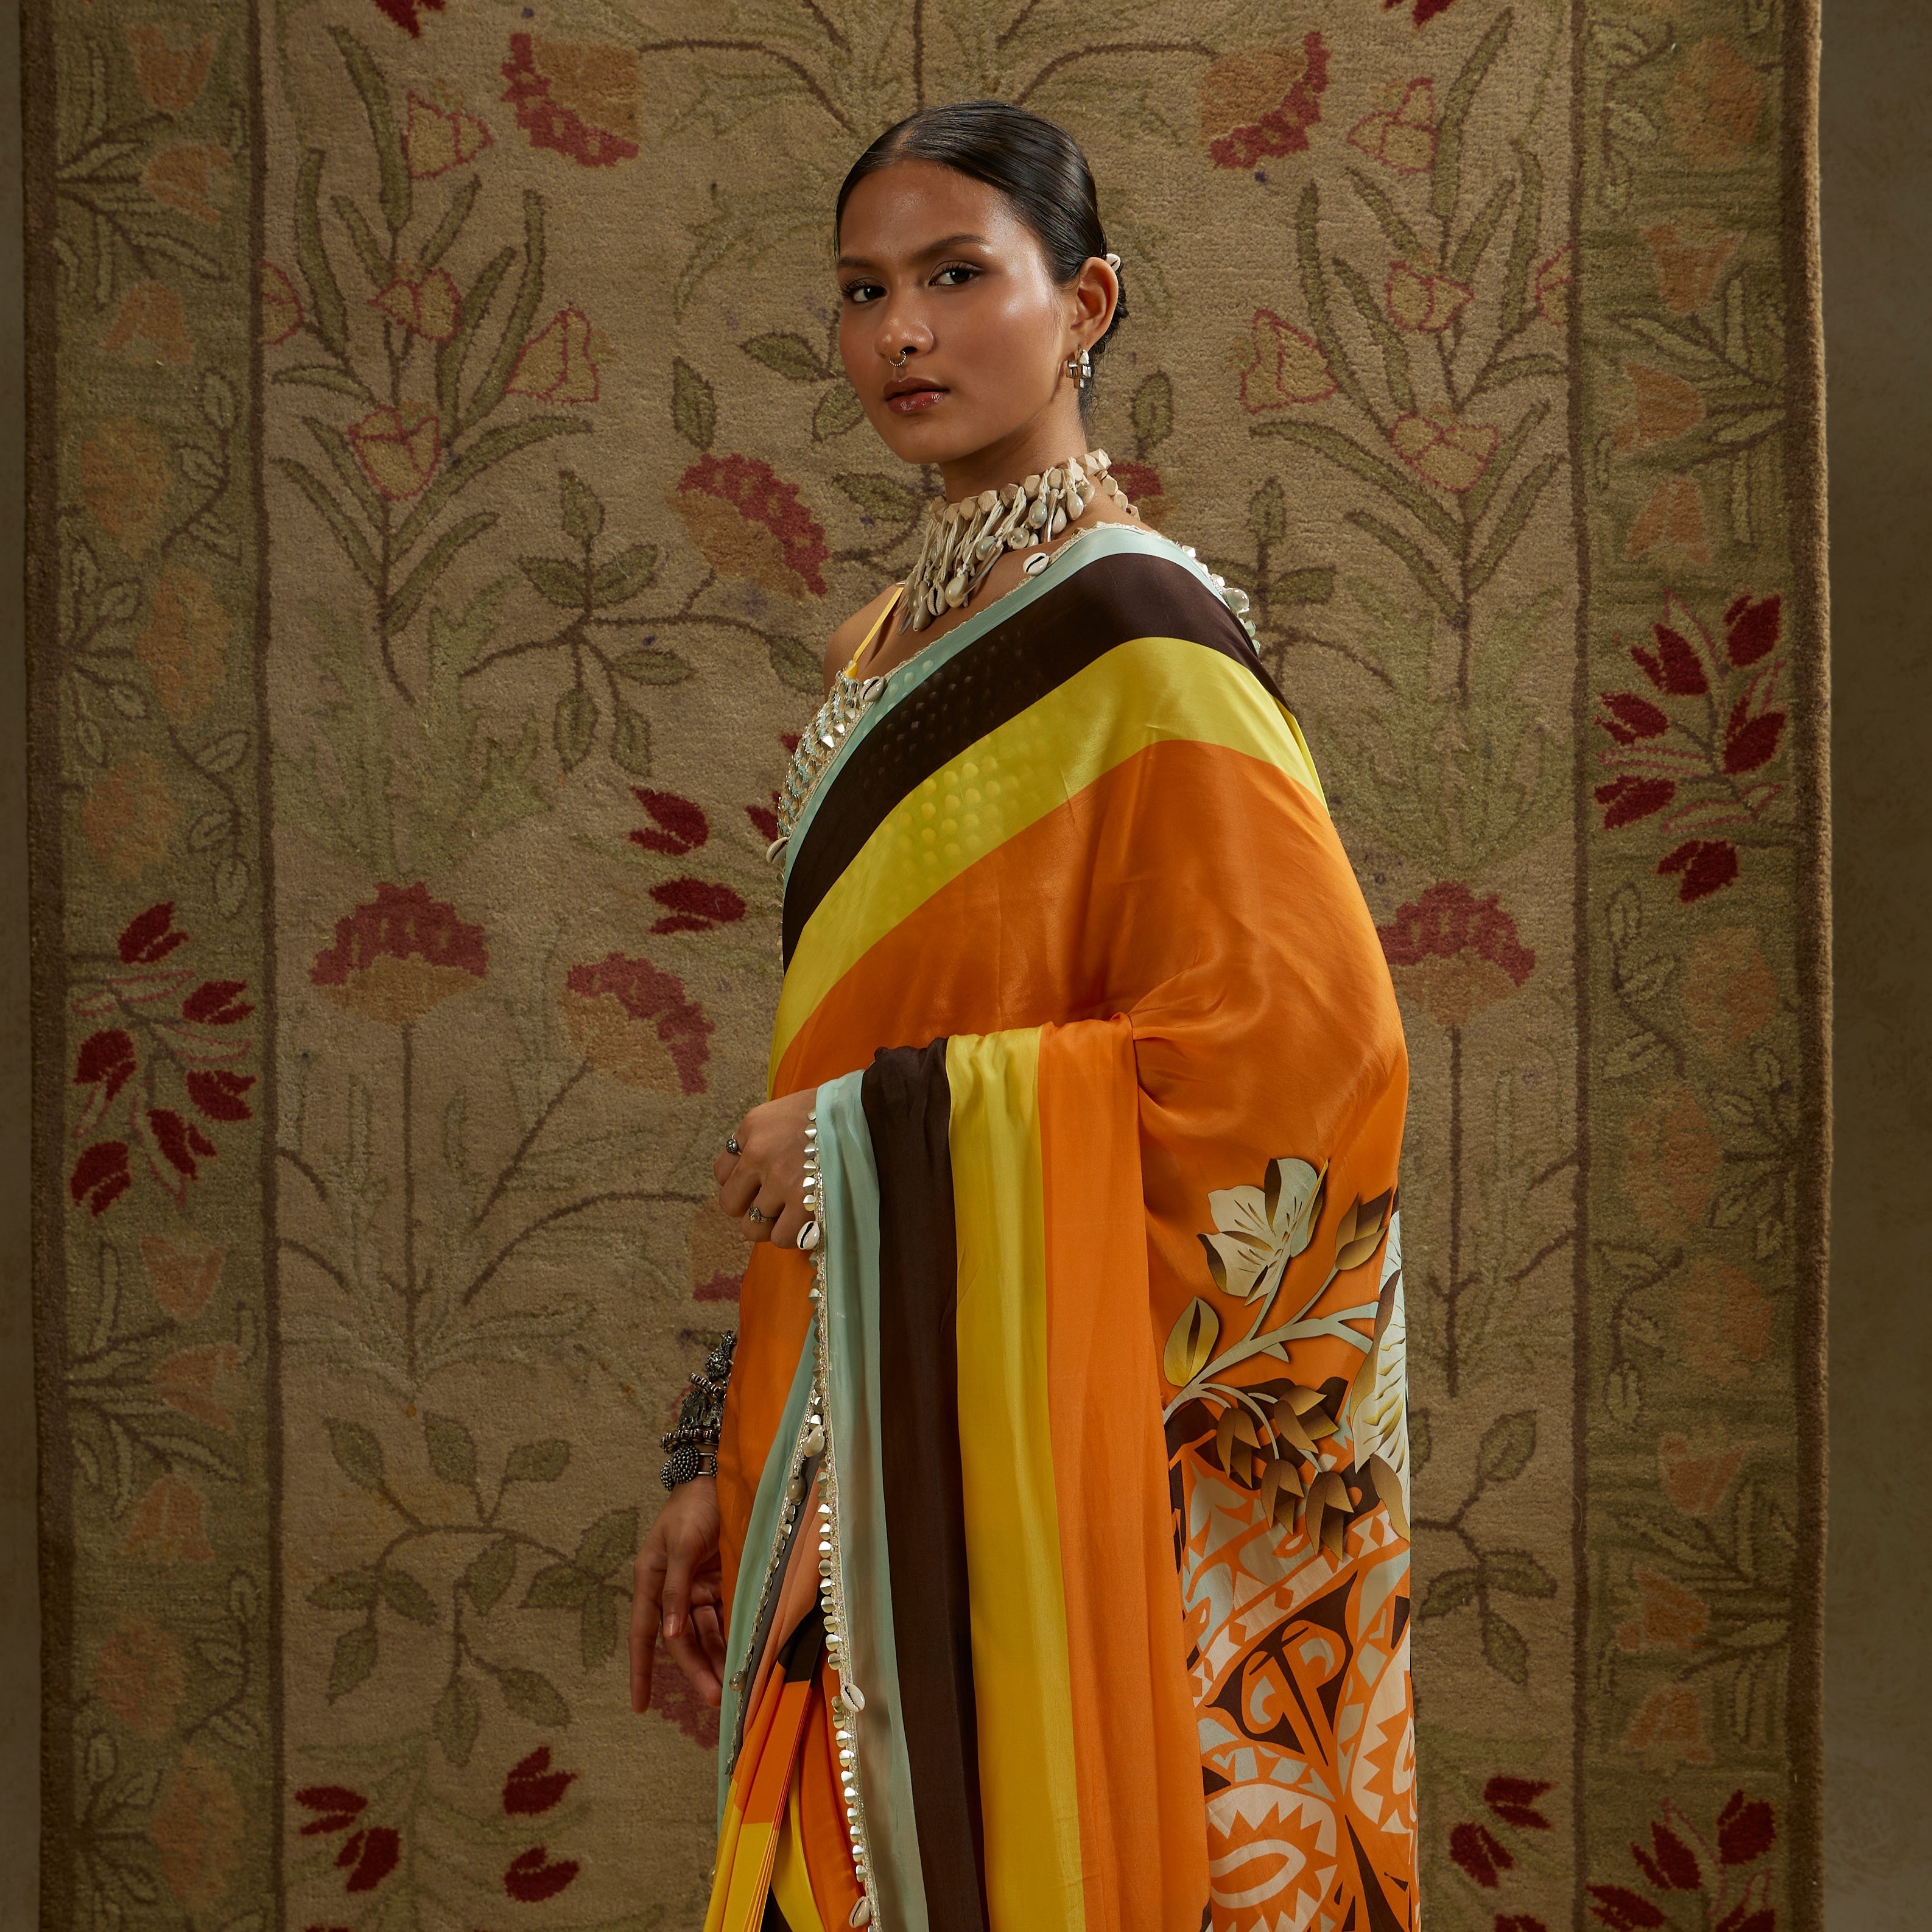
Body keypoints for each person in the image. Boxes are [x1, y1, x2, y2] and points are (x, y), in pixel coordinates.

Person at [631, 99, 1417, 1932]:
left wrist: (862, 1146)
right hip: (853, 1388)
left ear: (1088, 305)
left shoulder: (1140, 639)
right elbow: (830, 1057)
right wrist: (705, 1444)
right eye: (863, 290)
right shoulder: (884, 647)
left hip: (1027, 1445)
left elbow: (1305, 1059)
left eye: (957, 277)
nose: (902, 332)